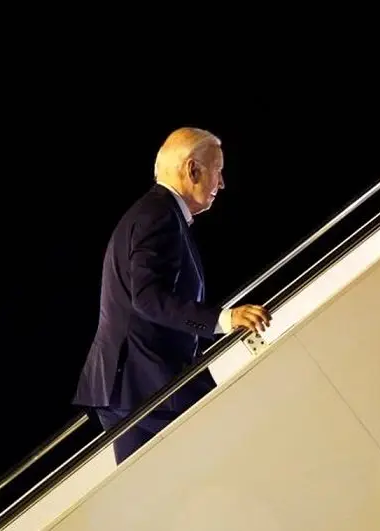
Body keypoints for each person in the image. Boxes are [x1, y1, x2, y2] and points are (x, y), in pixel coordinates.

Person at [72, 127, 271, 465]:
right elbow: (147, 298)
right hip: (149, 383)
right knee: (234, 454)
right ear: (193, 169)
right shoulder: (158, 216)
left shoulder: (153, 213)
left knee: (156, 486)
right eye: (218, 171)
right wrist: (223, 319)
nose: (222, 183)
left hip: (126, 385)